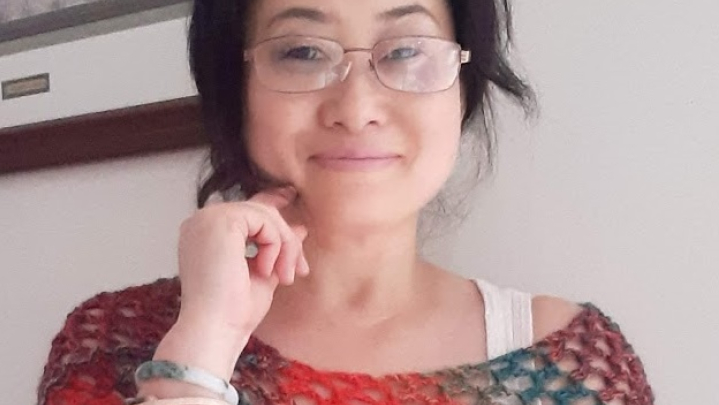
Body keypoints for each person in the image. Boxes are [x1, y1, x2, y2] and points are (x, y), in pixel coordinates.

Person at [37, 0, 655, 404]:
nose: (357, 109)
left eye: (406, 50)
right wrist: (201, 351)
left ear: (463, 87)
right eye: (303, 52)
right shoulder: (116, 342)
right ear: (237, 88)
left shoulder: (574, 369)